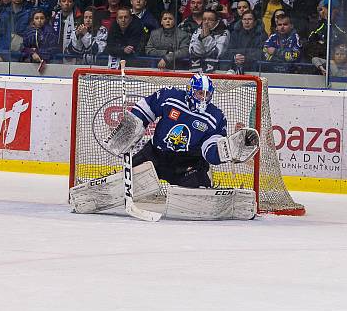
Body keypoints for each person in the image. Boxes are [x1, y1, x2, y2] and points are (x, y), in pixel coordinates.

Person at [69, 73, 258, 220]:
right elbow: (145, 108)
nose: (203, 98)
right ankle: (89, 197)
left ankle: (222, 198)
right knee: (124, 181)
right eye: (200, 93)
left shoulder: (216, 117)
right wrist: (130, 128)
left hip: (188, 164)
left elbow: (209, 151)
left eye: (208, 94)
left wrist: (223, 152)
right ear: (191, 90)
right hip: (155, 155)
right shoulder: (170, 97)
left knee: (199, 192)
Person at [189, 8, 229, 73]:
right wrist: (200, 39)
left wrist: (206, 38)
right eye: (204, 19)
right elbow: (193, 51)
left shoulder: (224, 32)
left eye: (210, 20)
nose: (206, 22)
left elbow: (218, 53)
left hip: (218, 69)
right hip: (198, 68)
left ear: (217, 21)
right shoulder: (198, 30)